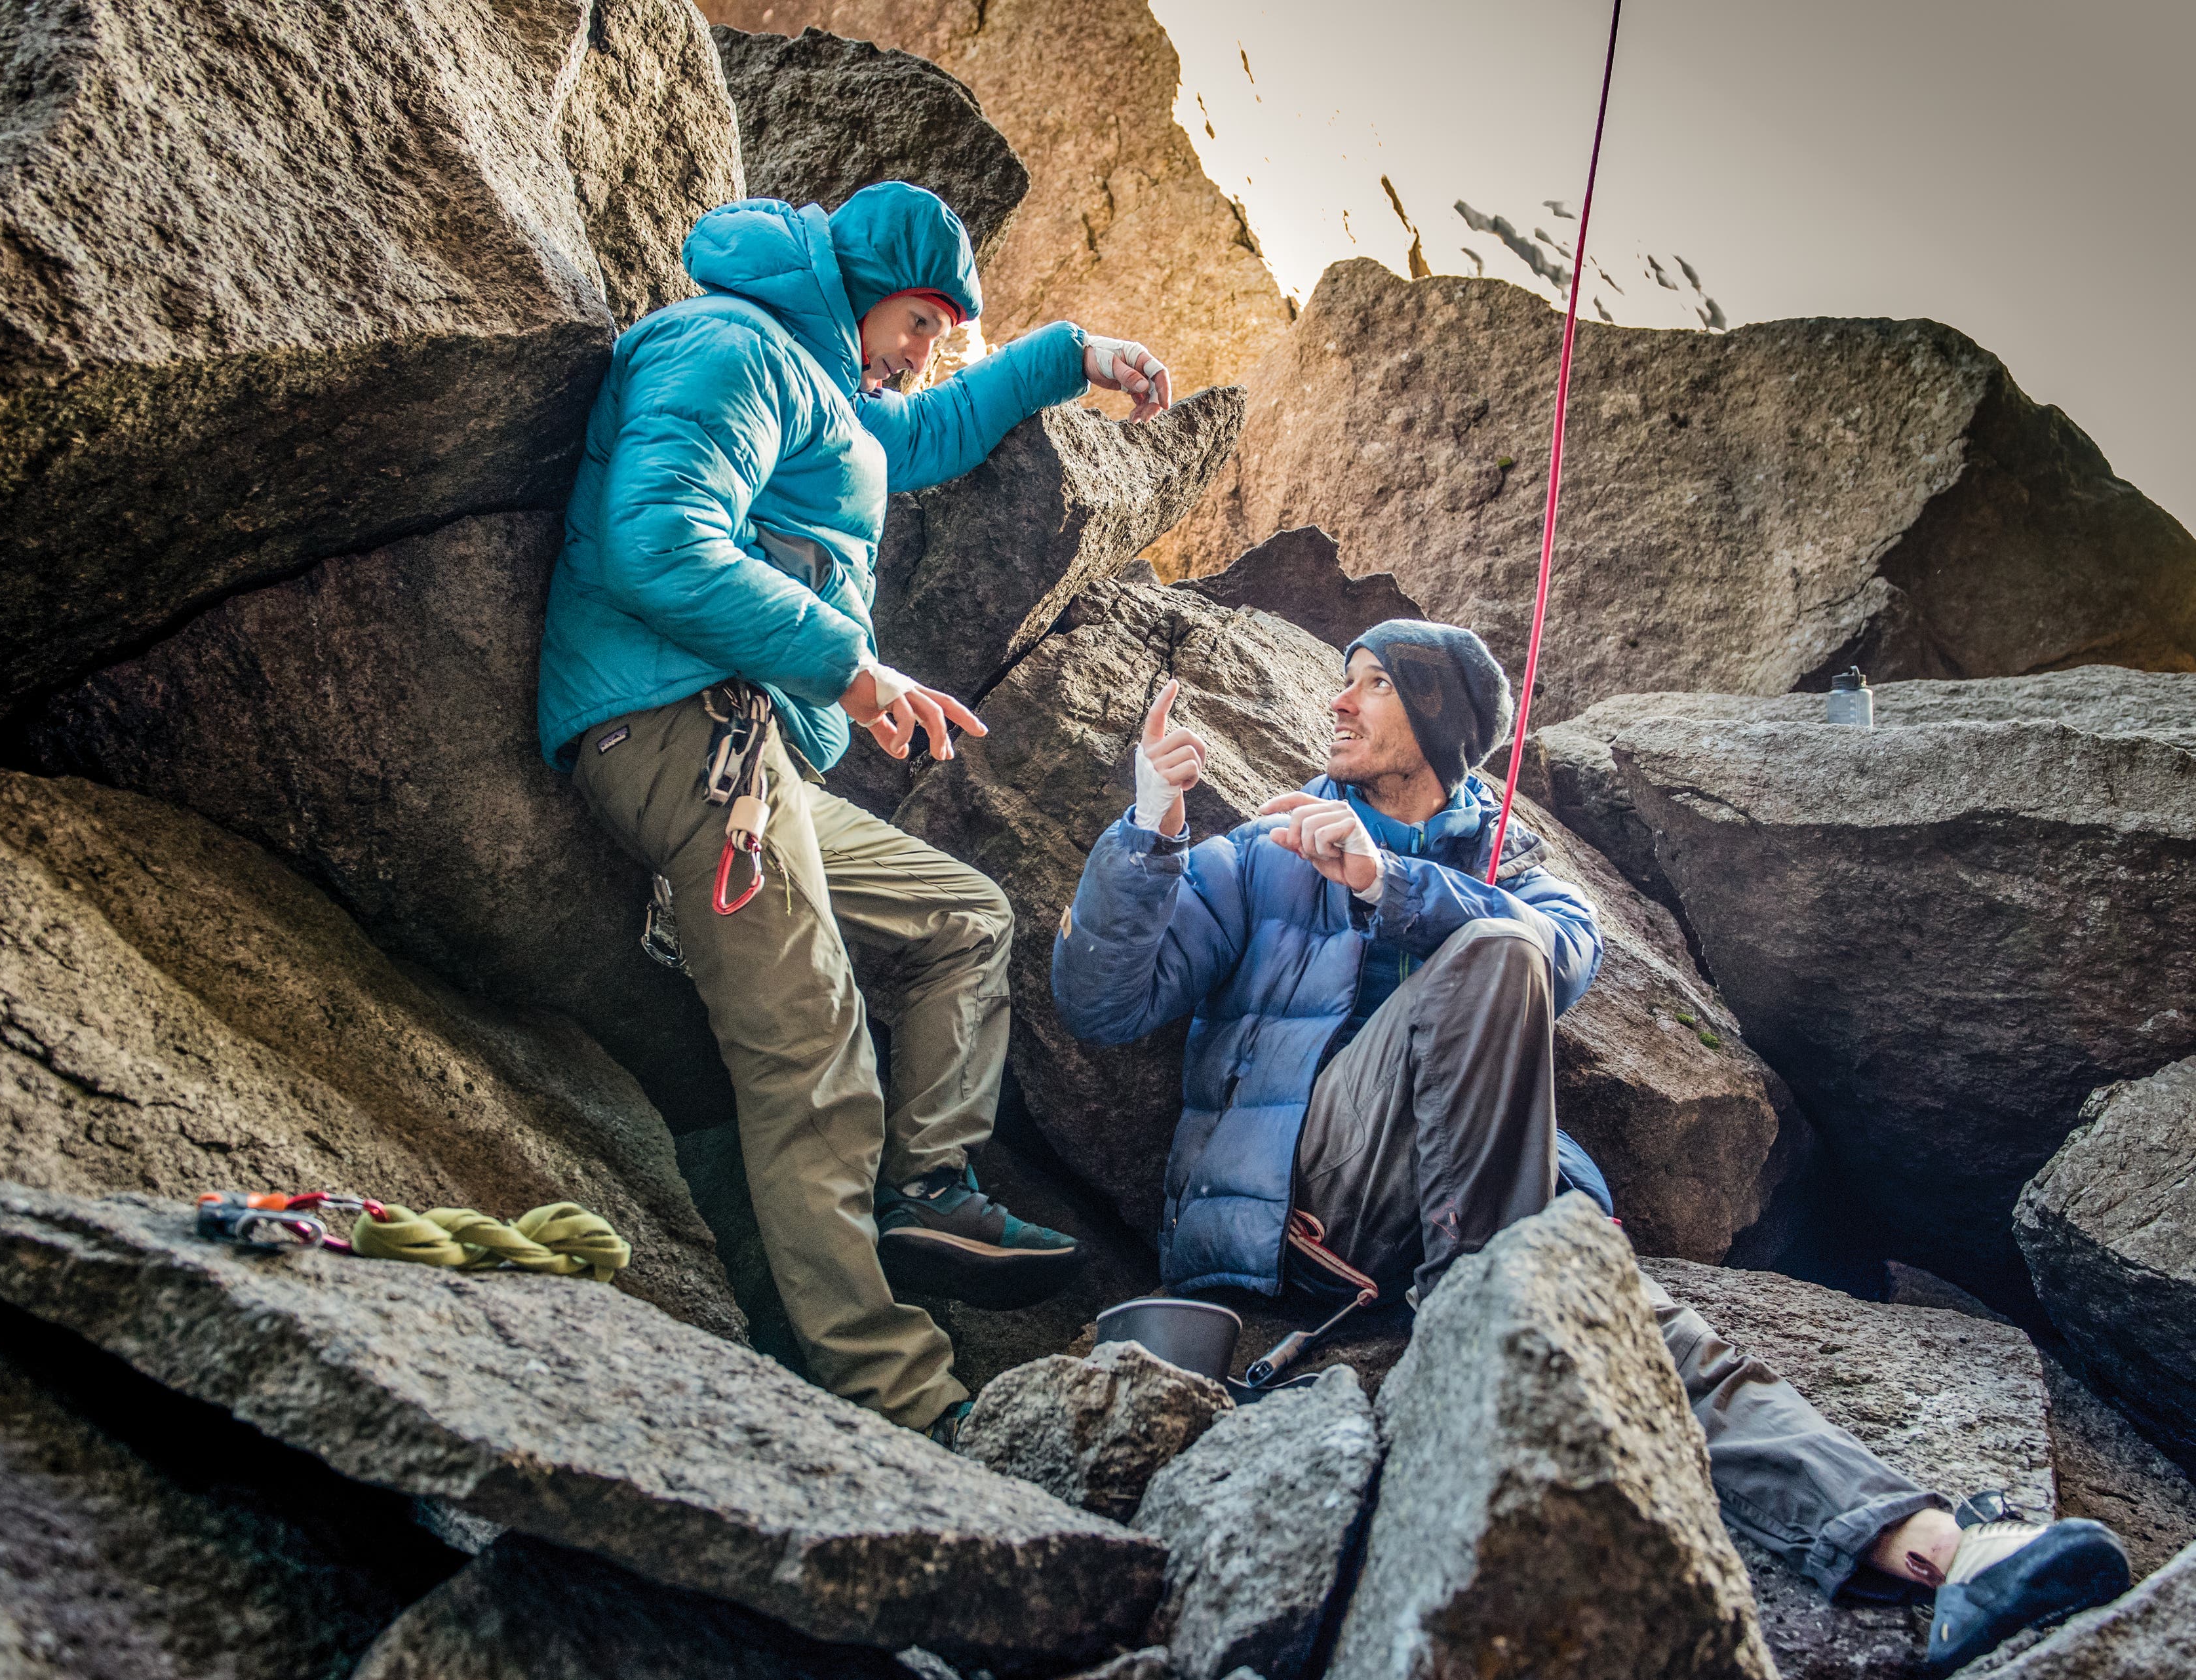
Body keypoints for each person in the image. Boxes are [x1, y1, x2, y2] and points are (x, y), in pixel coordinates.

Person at [1050, 619, 2132, 1669]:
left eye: (1373, 682)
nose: (1338, 700)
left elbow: (1551, 953)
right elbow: (1100, 1003)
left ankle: (1941, 1552)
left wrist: (1385, 879)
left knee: (1639, 1320)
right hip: (1304, 1204)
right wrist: (1149, 827)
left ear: (1439, 718)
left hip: (1464, 1219)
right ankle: (1490, 1287)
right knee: (1511, 1065)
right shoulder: (1258, 856)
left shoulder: (1528, 875)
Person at [536, 182, 1174, 1437]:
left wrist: (1068, 359)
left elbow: (916, 441)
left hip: (754, 752)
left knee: (963, 917)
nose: (927, 353)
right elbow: (656, 540)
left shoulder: (826, 386)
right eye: (923, 322)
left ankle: (928, 1188)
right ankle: (902, 1402)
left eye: (944, 333)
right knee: (814, 1054)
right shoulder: (727, 345)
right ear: (866, 283)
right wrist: (856, 668)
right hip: (681, 728)